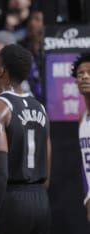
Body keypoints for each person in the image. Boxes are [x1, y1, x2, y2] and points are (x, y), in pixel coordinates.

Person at [0, 44, 51, 234]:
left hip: (11, 201)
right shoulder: (40, 108)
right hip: (41, 201)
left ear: (2, 71)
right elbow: (48, 166)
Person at [71, 53, 90, 223]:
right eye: (80, 73)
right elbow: (85, 167)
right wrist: (87, 197)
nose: (85, 76)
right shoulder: (82, 117)